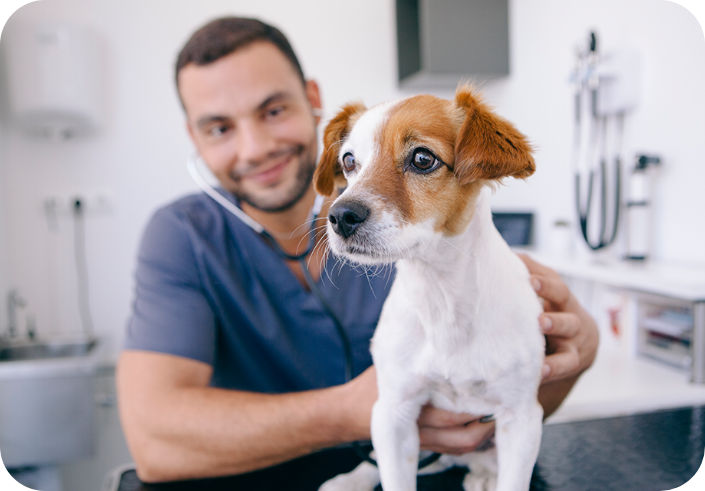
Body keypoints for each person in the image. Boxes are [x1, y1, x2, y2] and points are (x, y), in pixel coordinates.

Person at [116, 17, 599, 489]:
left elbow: (500, 410)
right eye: (219, 128)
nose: (255, 147)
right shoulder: (182, 235)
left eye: (273, 111)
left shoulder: (449, 250)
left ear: (312, 101)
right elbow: (154, 446)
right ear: (194, 138)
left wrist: (582, 349)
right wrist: (353, 410)